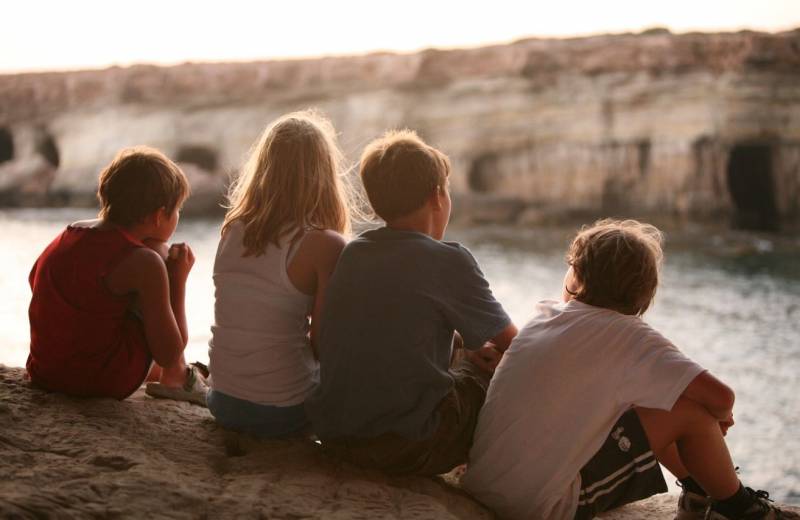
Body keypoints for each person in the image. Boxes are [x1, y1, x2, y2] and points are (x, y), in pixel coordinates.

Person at [462, 219, 799, 520]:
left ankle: (699, 493)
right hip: (539, 507)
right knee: (691, 414)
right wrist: (717, 420)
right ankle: (740, 507)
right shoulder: (631, 336)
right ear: (643, 292)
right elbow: (722, 396)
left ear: (576, 275)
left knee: (652, 398)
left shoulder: (544, 316)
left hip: (485, 480)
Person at [305, 129, 518, 475]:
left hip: (335, 435)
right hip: (404, 448)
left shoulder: (354, 253)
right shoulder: (449, 261)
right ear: (437, 196)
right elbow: (518, 347)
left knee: (465, 352)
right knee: (486, 374)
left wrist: (462, 348)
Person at [206, 110, 354, 437]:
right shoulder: (323, 244)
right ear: (324, 174)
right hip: (285, 412)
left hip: (223, 401)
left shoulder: (232, 229)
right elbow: (325, 345)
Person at [27, 146, 206, 404]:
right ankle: (179, 379)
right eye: (177, 210)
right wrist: (177, 280)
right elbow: (169, 353)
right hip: (97, 380)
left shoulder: (70, 233)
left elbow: (36, 280)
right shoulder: (146, 262)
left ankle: (159, 372)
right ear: (158, 215)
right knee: (158, 257)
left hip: (45, 371)